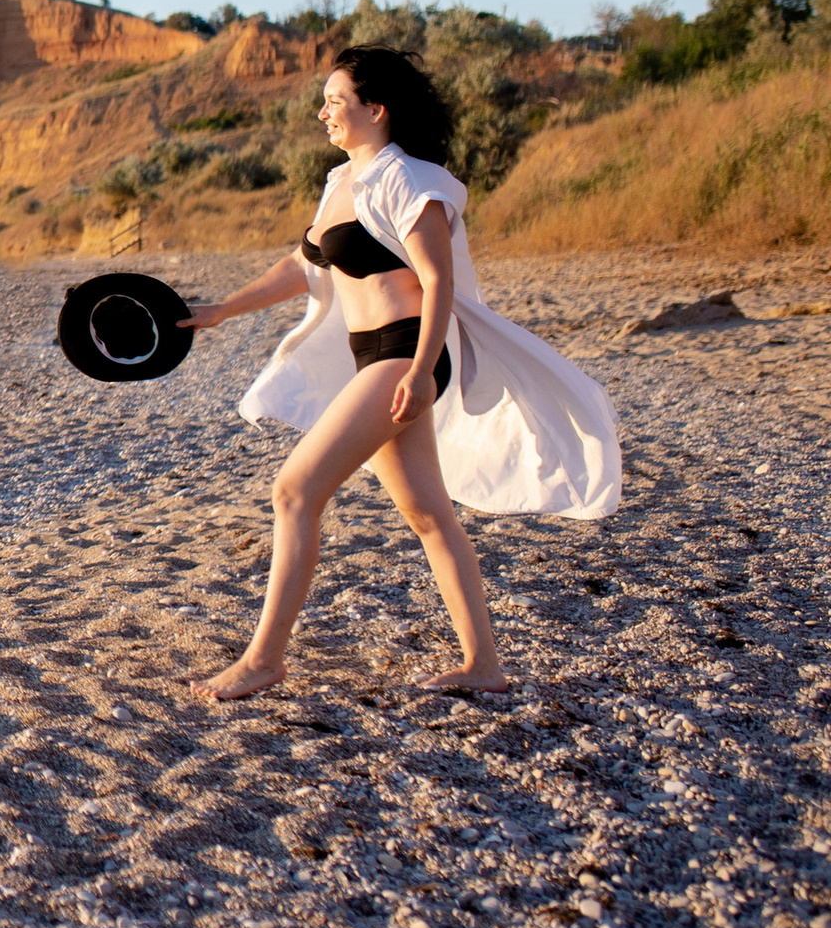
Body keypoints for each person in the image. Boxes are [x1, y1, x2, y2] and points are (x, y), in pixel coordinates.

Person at [179, 46, 621, 699]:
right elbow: (302, 267)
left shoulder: (411, 180)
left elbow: (437, 278)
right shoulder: (340, 183)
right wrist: (220, 310)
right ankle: (484, 666)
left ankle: (265, 659)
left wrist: (419, 370)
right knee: (428, 512)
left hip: (404, 351)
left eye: (337, 100)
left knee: (294, 491)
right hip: (374, 356)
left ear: (376, 109)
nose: (323, 111)